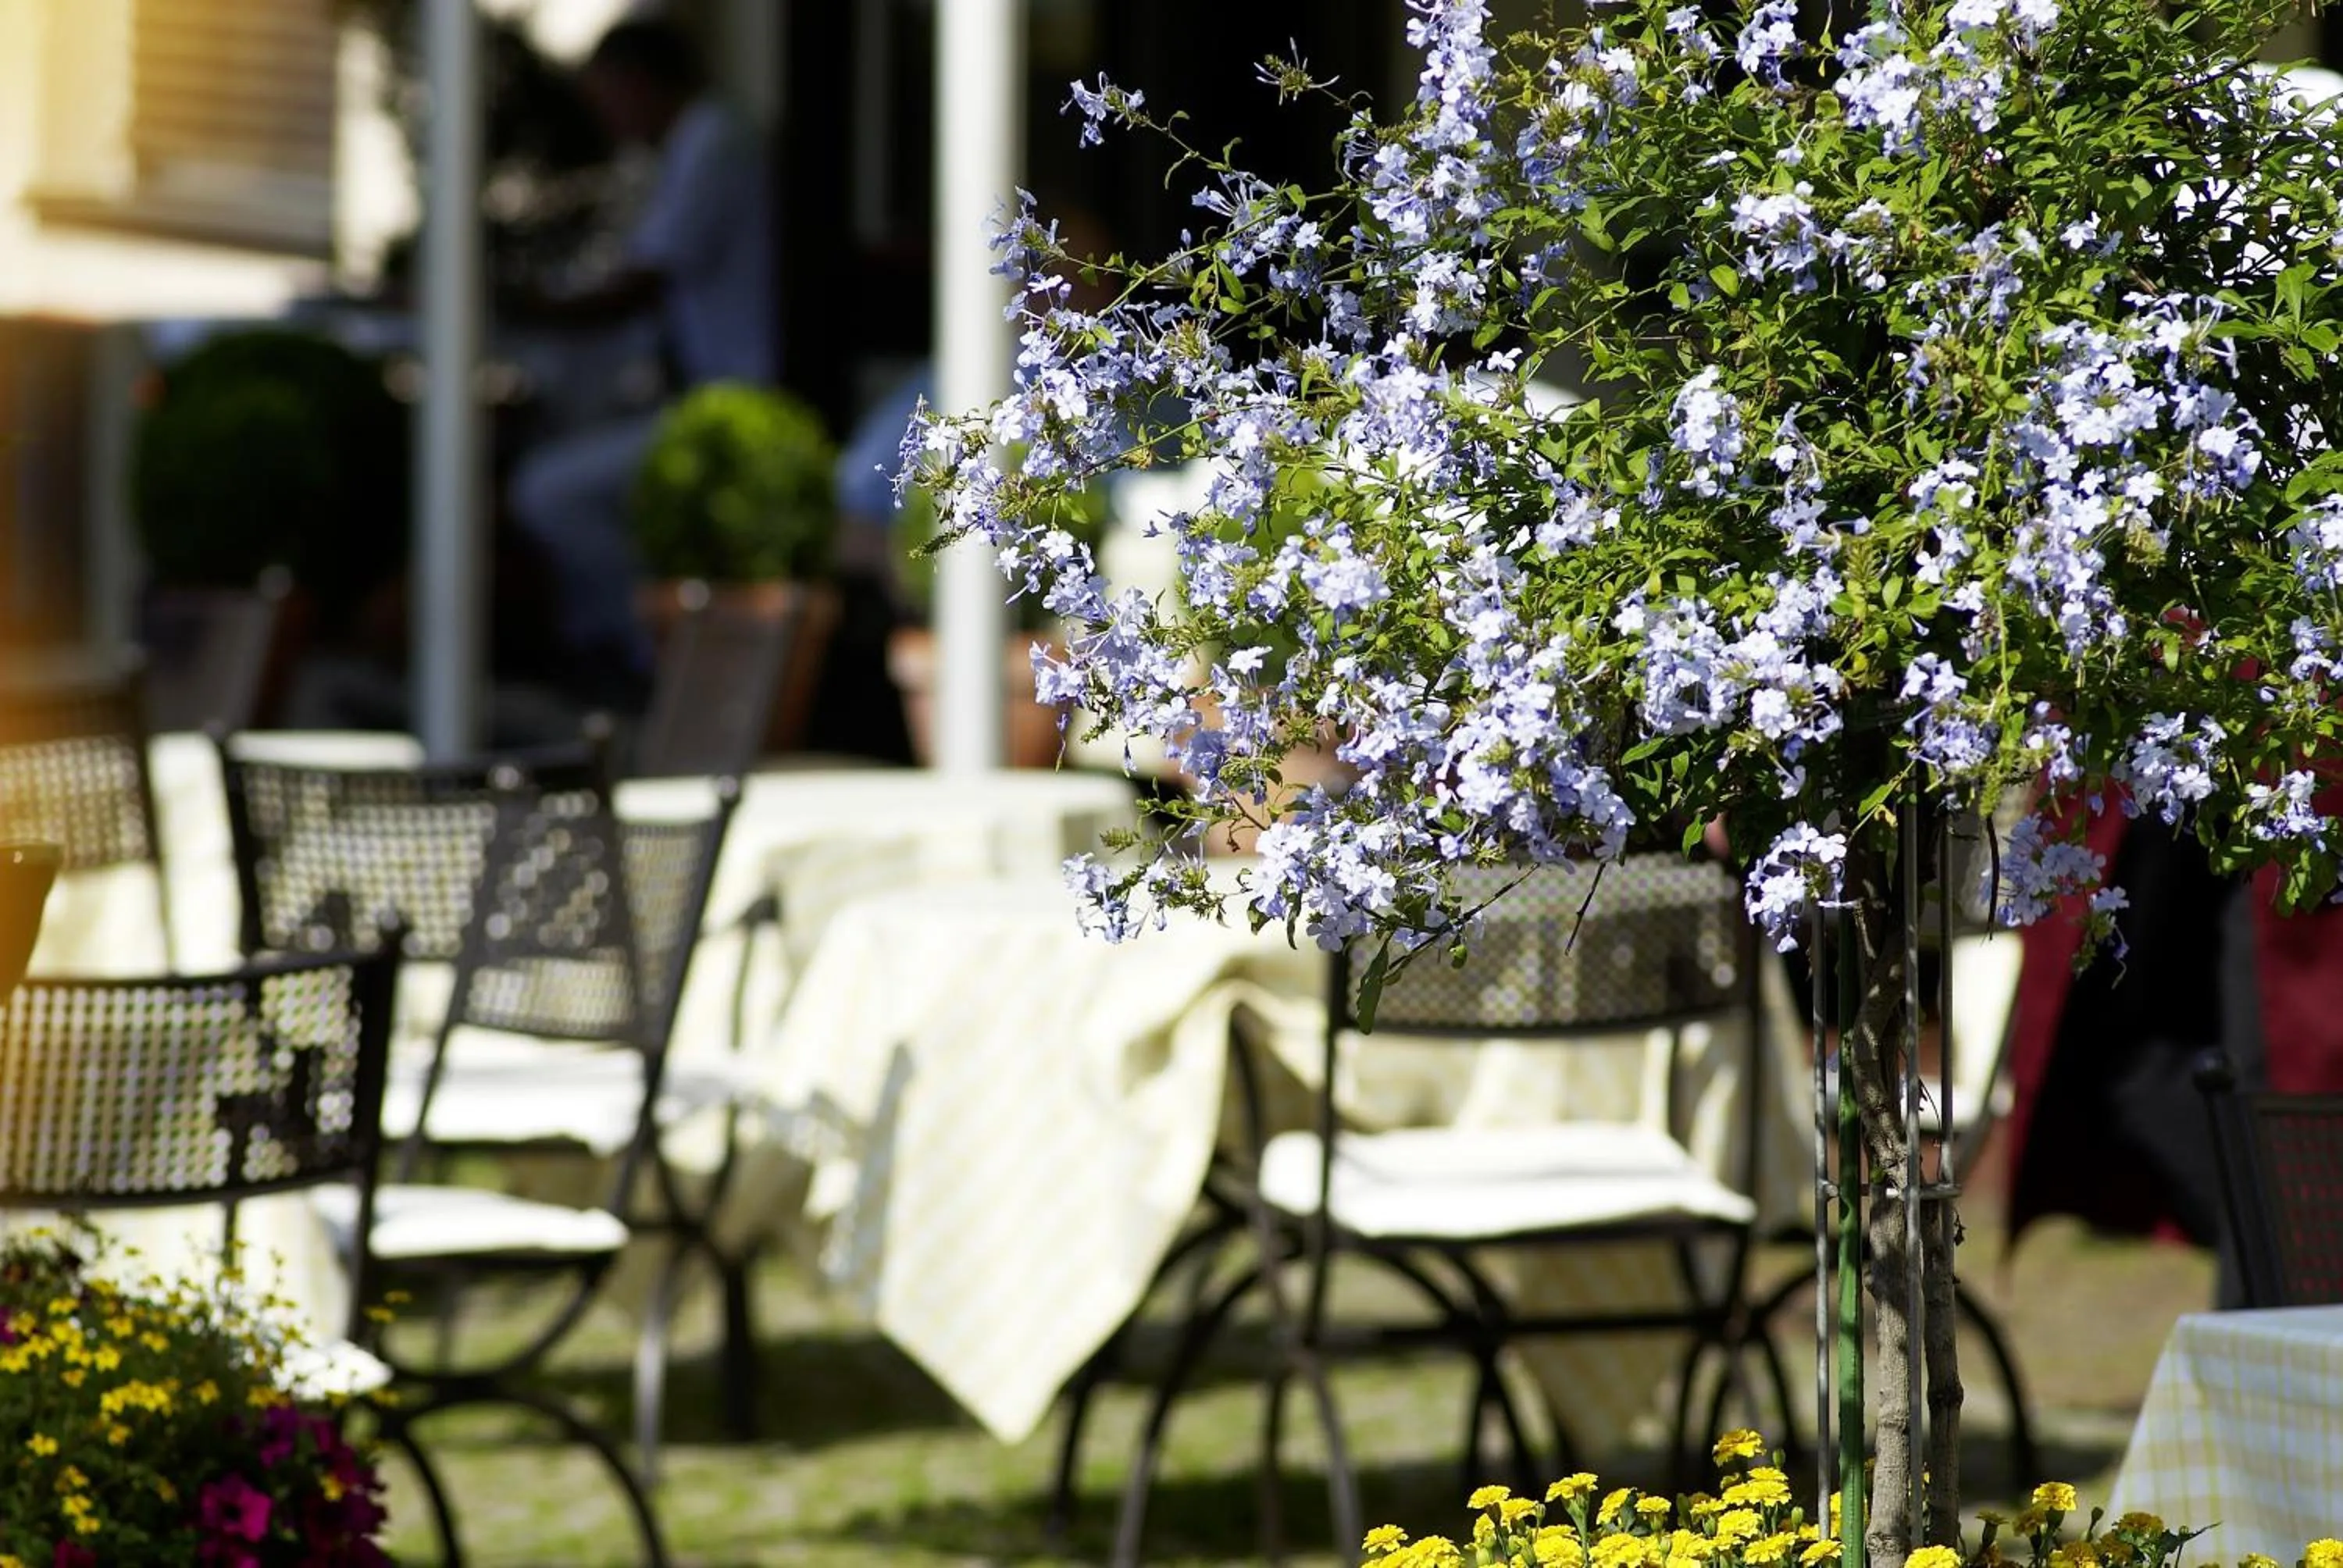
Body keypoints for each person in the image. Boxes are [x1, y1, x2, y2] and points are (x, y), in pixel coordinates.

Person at [505, 17, 775, 706]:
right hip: (699, 397)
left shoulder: (714, 141)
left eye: (609, 99)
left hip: (734, 405)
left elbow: (638, 284)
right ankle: (639, 647)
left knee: (547, 492)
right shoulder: (691, 143)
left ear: (639, 84)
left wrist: (512, 304)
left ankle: (633, 655)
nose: (609, 120)